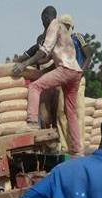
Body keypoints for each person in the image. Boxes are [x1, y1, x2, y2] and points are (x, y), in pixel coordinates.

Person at [13, 6, 83, 156]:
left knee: (35, 87)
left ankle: (32, 123)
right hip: (76, 72)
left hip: (65, 70)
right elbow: (56, 56)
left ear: (45, 17)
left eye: (42, 20)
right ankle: (77, 149)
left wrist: (24, 65)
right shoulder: (65, 31)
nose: (42, 24)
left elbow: (44, 51)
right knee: (70, 112)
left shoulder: (53, 25)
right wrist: (43, 70)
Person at [56, 14, 92, 153]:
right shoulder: (58, 42)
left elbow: (88, 55)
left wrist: (80, 71)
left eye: (66, 25)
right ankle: (65, 145)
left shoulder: (78, 37)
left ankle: (78, 146)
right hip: (63, 79)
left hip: (77, 79)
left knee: (78, 112)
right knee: (61, 113)